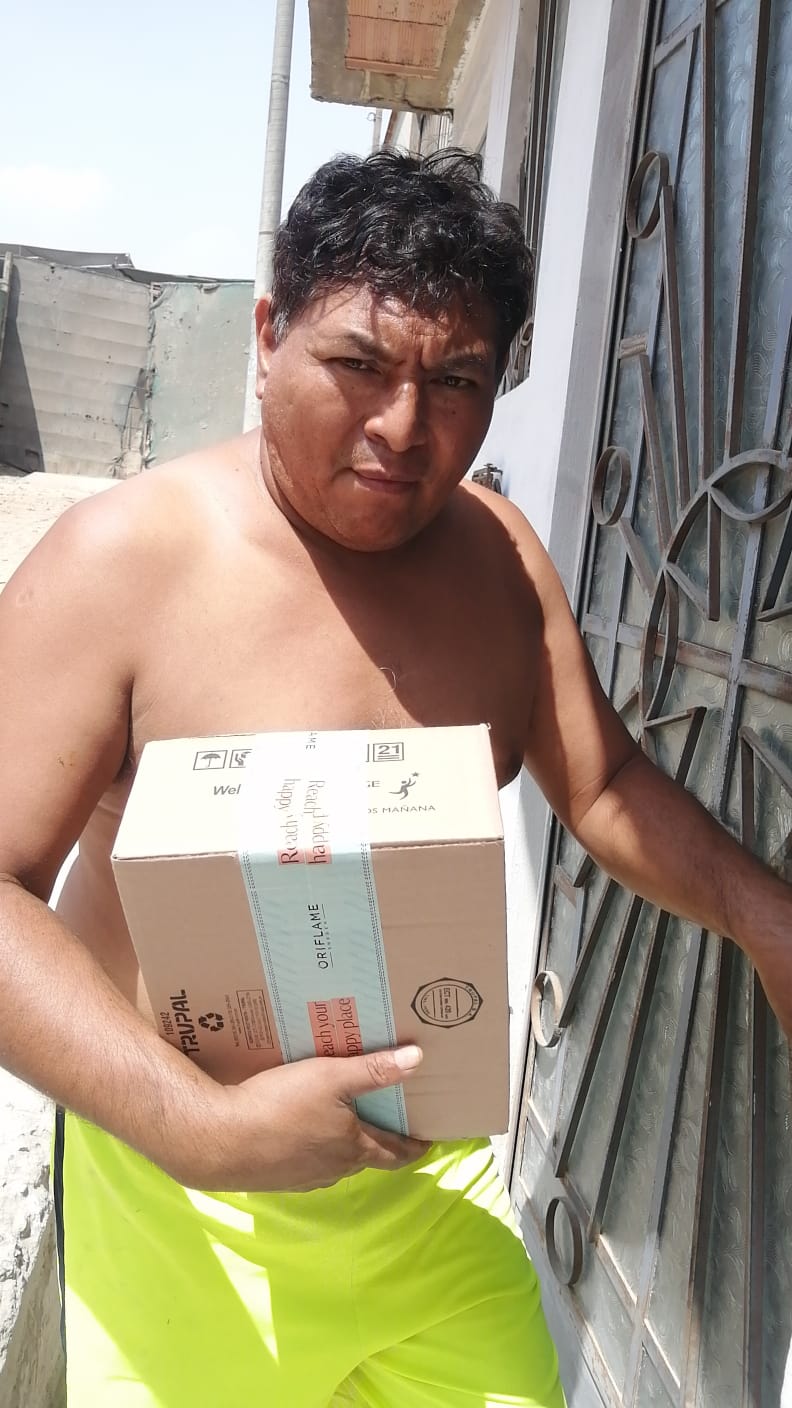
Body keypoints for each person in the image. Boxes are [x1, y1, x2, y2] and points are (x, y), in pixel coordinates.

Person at [0, 148, 789, 1407]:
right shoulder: (121, 564)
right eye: (359, 364)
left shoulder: (500, 558)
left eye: (457, 380)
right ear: (269, 334)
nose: (404, 429)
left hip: (430, 1188)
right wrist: (203, 1129)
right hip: (185, 1212)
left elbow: (600, 788)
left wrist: (761, 911)